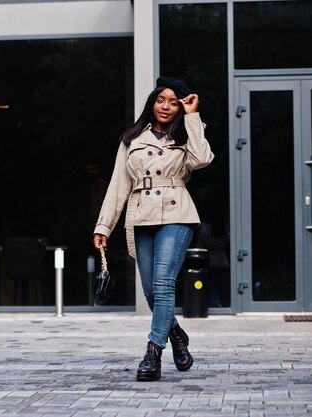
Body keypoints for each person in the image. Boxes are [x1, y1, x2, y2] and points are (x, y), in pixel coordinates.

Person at [92, 76, 214, 381]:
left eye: (174, 102)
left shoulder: (188, 135)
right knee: (150, 289)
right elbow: (118, 186)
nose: (166, 106)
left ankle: (152, 353)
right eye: (162, 100)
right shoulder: (132, 139)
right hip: (141, 216)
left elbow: (203, 159)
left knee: (163, 283)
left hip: (176, 213)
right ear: (152, 102)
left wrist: (193, 115)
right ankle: (177, 338)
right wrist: (104, 226)